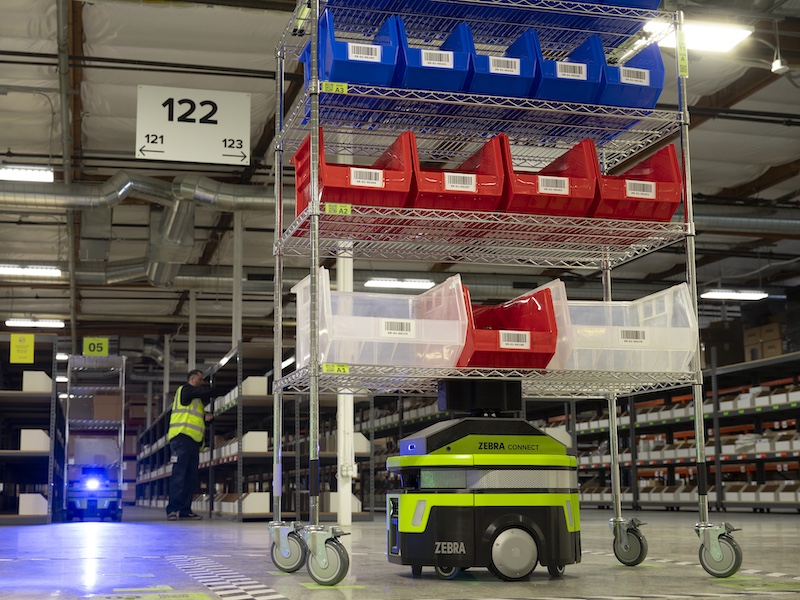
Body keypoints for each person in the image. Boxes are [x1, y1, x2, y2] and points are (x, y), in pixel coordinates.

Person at [165, 369, 219, 520]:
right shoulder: (185, 390)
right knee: (179, 475)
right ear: (193, 379)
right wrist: (218, 390)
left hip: (193, 442)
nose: (202, 383)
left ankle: (185, 510)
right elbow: (204, 392)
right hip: (181, 438)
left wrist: (207, 417)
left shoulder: (197, 402)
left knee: (191, 478)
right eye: (200, 380)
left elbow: (196, 418)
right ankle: (172, 510)